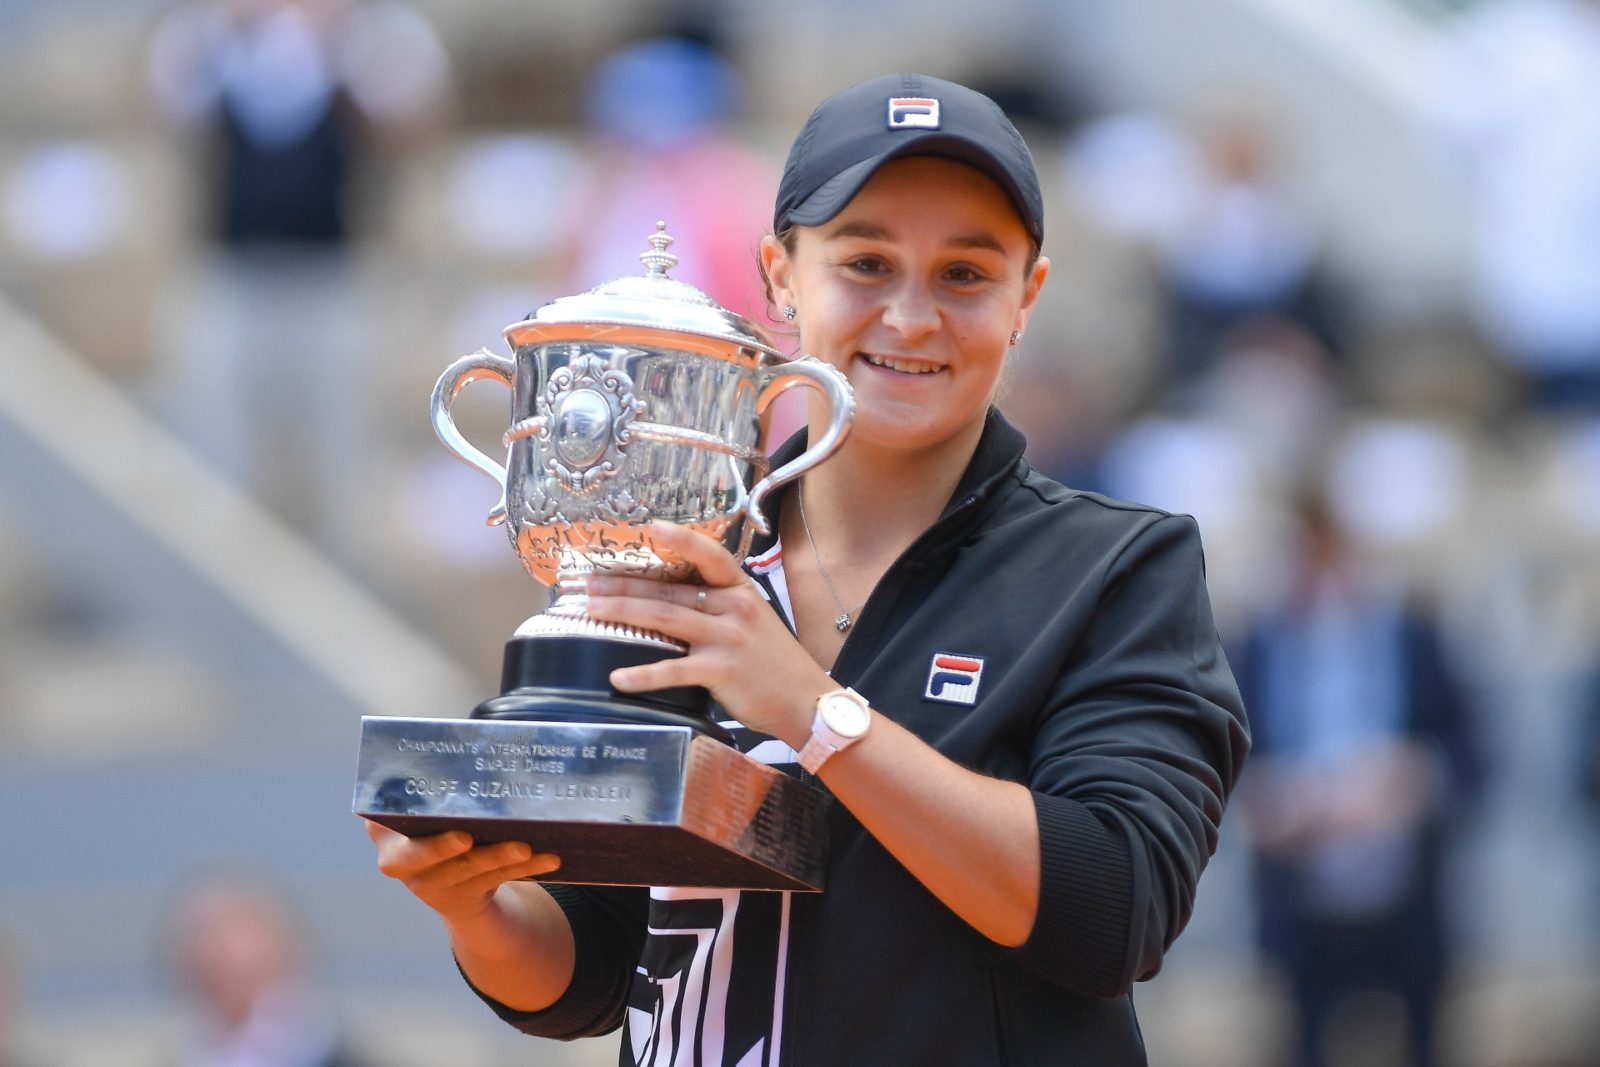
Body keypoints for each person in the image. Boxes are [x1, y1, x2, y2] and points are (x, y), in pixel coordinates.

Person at [367, 72, 1250, 1066]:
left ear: (1026, 297)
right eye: (865, 262)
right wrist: (476, 908)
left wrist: (814, 712)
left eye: (965, 273)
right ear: (779, 277)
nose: (911, 317)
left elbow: (1113, 909)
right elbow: (601, 969)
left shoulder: (1117, 567)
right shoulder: (675, 559)